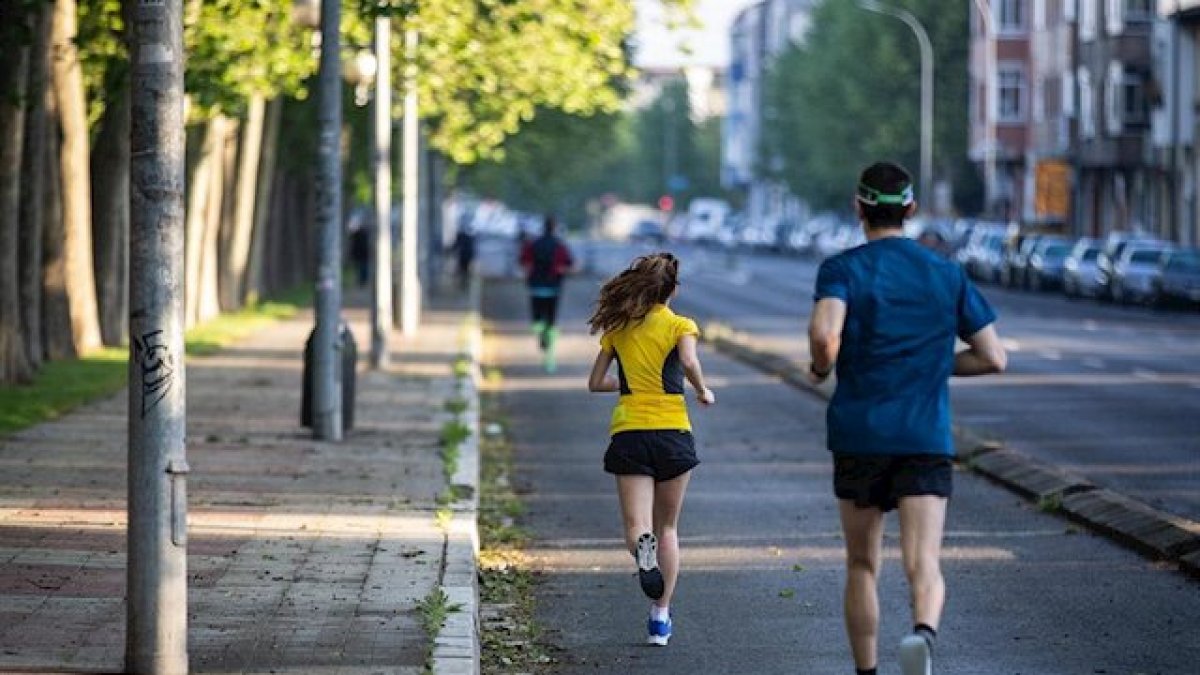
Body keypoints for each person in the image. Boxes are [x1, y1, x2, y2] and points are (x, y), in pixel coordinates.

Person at [807, 162, 1007, 675]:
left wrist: (822, 364)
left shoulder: (842, 269)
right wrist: (935, 364)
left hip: (860, 434)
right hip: (924, 435)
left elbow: (826, 334)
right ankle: (922, 633)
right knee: (924, 564)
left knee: (862, 564)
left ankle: (867, 671)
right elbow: (993, 357)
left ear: (860, 209)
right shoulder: (946, 272)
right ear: (911, 210)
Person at [587, 252, 716, 647]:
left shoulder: (618, 328)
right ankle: (660, 618)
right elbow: (690, 361)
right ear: (673, 289)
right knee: (669, 528)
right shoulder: (680, 325)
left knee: (638, 528)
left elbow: (595, 382)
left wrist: (627, 386)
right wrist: (700, 389)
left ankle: (643, 551)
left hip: (630, 432)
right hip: (673, 432)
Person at [520, 215, 574, 372]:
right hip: (553, 288)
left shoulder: (532, 244)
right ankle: (549, 357)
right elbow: (569, 264)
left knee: (537, 320)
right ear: (555, 228)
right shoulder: (559, 246)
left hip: (535, 287)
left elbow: (524, 262)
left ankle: (541, 336)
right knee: (551, 321)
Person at [452, 225, 477, 292]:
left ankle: (463, 284)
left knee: (463, 270)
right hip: (466, 255)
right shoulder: (471, 236)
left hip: (464, 255)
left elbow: (456, 245)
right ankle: (464, 284)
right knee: (464, 270)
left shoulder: (463, 235)